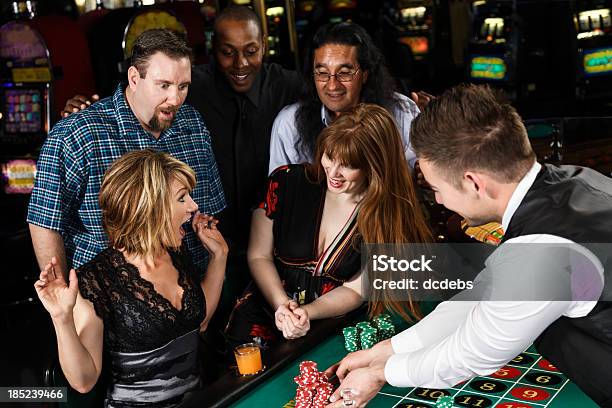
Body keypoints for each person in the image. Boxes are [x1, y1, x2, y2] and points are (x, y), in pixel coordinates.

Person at [324, 84, 612, 408]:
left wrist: (381, 373)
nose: (438, 200)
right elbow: (479, 297)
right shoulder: (574, 181)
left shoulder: (540, 252)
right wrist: (387, 350)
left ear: (474, 182)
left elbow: (473, 350)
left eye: (435, 188)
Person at [225, 103, 431, 348]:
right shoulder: (286, 181)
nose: (333, 172)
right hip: (261, 315)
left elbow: (356, 290)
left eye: (349, 165)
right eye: (330, 157)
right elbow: (259, 256)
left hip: (328, 328)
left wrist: (307, 313)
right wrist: (282, 304)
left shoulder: (389, 215)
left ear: (374, 165)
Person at [34, 150, 228, 407]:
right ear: (149, 209)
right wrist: (61, 318)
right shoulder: (96, 280)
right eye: (182, 198)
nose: (193, 207)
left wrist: (220, 256)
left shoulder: (176, 253)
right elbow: (84, 381)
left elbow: (199, 322)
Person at [28, 29, 225, 277]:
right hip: (106, 299)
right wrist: (62, 303)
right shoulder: (77, 134)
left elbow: (210, 208)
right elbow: (45, 222)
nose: (175, 99)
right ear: (134, 77)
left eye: (183, 86)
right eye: (163, 85)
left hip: (189, 294)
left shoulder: (193, 123)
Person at [268, 21, 424, 173]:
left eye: (344, 73)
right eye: (322, 73)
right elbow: (279, 193)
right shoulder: (289, 125)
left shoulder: (402, 112)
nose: (332, 85)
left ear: (364, 74)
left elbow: (419, 181)